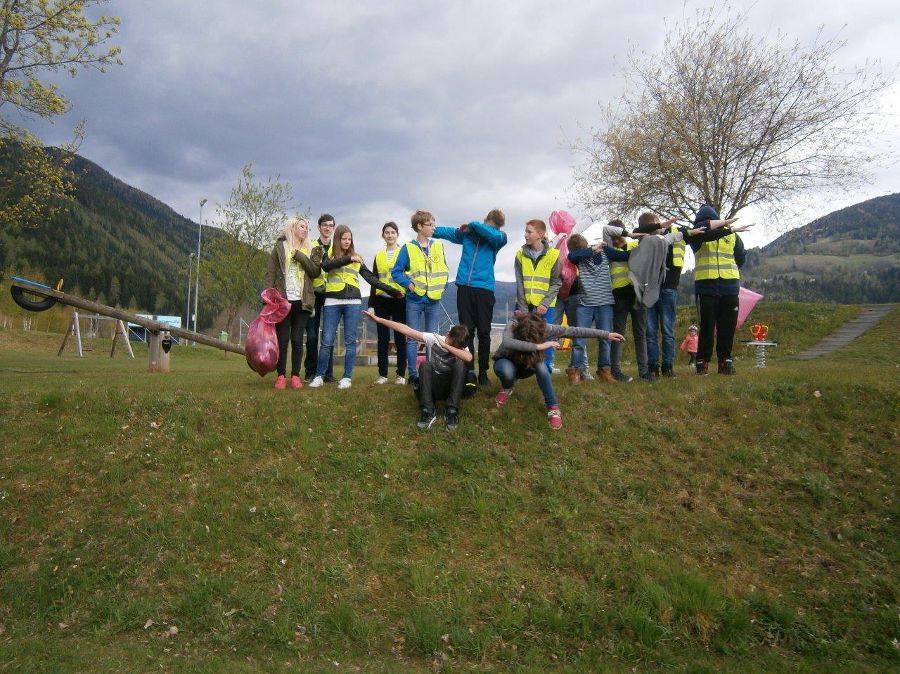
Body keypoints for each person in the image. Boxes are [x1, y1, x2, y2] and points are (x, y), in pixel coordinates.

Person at [493, 312, 624, 430]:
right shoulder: (513, 324)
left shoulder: (544, 328)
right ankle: (507, 387)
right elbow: (507, 342)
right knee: (506, 371)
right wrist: (538, 346)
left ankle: (553, 408)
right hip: (507, 362)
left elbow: (575, 331)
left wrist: (606, 334)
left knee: (542, 368)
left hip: (529, 364)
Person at [309, 225, 401, 389]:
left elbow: (371, 279)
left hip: (352, 302)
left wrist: (391, 291)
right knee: (327, 341)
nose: (346, 241)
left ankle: (346, 377)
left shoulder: (357, 258)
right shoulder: (329, 254)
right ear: (338, 239)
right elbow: (326, 266)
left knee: (350, 342)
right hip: (332, 302)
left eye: (349, 239)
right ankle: (318, 376)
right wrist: (349, 258)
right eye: (343, 238)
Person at [363, 309, 472, 431]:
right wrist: (378, 319)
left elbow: (469, 357)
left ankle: (452, 411)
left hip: (450, 388)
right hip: (432, 386)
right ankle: (428, 410)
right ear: (448, 334)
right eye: (451, 343)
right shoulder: (434, 338)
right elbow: (405, 329)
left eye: (456, 347)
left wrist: (446, 346)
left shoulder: (461, 346)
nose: (453, 347)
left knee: (460, 365)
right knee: (425, 365)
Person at [433, 208, 507, 386]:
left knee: (484, 332)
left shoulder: (499, 237)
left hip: (484, 289)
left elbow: (492, 235)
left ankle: (483, 373)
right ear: (485, 220)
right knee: (467, 331)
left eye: (493, 228)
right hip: (465, 288)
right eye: (488, 225)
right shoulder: (469, 235)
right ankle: (469, 371)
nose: (489, 230)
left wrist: (473, 225)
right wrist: (430, 229)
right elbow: (449, 232)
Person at [688, 204, 751, 375]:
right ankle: (702, 360)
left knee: (727, 327)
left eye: (709, 220)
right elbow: (704, 233)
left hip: (729, 287)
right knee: (707, 326)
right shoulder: (696, 236)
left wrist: (730, 272)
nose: (706, 223)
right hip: (706, 287)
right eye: (703, 222)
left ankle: (725, 360)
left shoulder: (732, 237)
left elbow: (741, 257)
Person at [390, 210, 450, 387]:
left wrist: (443, 287)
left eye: (433, 224)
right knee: (412, 338)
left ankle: (430, 372)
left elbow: (444, 269)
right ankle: (414, 375)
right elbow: (396, 272)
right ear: (419, 226)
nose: (433, 227)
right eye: (430, 224)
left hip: (434, 300)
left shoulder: (438, 246)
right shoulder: (408, 248)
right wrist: (409, 285)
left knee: (433, 339)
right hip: (414, 300)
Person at [264, 217, 321, 389]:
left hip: (303, 301)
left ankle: (295, 376)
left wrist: (299, 255)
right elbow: (271, 272)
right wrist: (267, 296)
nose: (305, 229)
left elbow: (315, 271)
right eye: (301, 226)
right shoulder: (280, 247)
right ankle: (280, 376)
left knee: (297, 340)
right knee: (282, 339)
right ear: (292, 228)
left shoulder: (313, 249)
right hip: (283, 300)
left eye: (307, 227)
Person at [641, 212, 686, 379]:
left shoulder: (675, 236)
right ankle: (653, 367)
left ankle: (668, 366)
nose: (660, 224)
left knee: (667, 329)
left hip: (668, 288)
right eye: (656, 223)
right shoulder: (644, 238)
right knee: (651, 331)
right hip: (650, 289)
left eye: (659, 222)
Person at [566, 233, 616, 383]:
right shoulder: (578, 257)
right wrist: (594, 248)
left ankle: (604, 370)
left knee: (605, 338)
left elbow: (623, 255)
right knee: (580, 338)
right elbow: (572, 256)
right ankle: (575, 371)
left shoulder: (603, 252)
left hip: (605, 302)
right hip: (585, 303)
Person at [602, 221, 645, 382]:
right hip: (619, 296)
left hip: (637, 294)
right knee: (618, 334)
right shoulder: (609, 249)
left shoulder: (634, 245)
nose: (616, 237)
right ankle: (615, 370)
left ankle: (644, 372)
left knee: (640, 333)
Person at [369, 221, 407, 385]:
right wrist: (371, 304)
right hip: (381, 301)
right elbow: (374, 281)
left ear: (397, 234)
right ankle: (383, 375)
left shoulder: (405, 252)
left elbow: (409, 277)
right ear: (383, 235)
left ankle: (400, 375)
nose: (390, 235)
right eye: (387, 232)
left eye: (393, 232)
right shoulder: (378, 255)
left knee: (400, 338)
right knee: (383, 339)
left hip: (399, 300)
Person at [304, 214, 336, 382]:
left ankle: (327, 373)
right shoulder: (311, 246)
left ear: (333, 228)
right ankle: (310, 372)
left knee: (328, 335)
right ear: (319, 227)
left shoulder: (336, 249)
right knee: (312, 335)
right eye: (325, 225)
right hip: (314, 295)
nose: (328, 228)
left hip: (331, 294)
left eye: (331, 225)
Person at [515, 218, 562, 316]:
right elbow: (520, 283)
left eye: (529, 232)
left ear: (540, 235)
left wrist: (544, 304)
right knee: (522, 331)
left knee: (544, 332)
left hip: (545, 308)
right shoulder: (520, 254)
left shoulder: (553, 255)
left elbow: (556, 283)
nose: (525, 235)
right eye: (525, 232)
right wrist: (523, 308)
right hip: (523, 306)